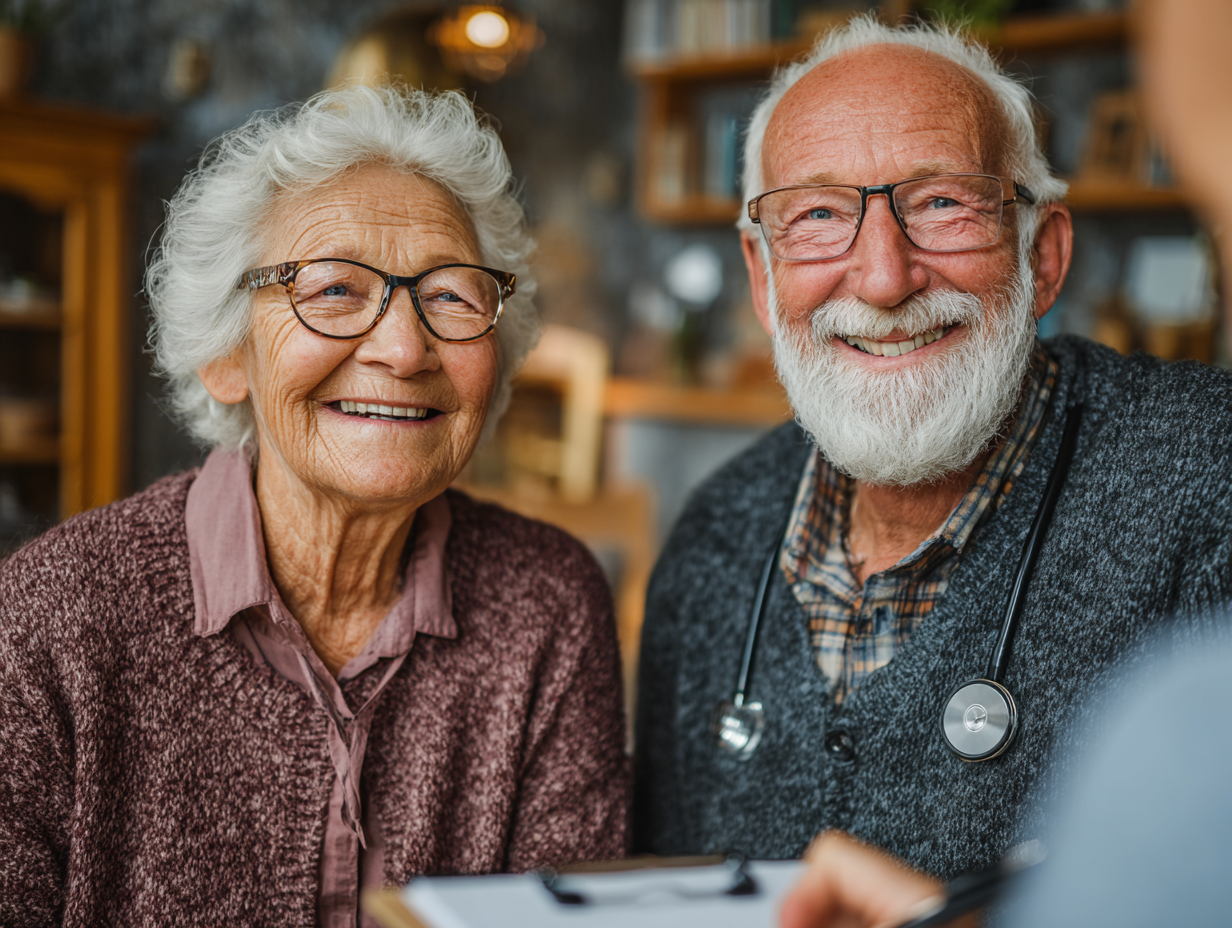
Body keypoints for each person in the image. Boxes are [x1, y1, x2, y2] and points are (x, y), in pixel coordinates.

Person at [0, 86, 628, 928]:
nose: (403, 349)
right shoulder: (50, 617)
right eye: (332, 289)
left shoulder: (547, 602)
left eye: (451, 296)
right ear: (228, 354)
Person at [633, 13, 1232, 884]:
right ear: (762, 279)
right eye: (818, 214)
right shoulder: (716, 534)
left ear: (1043, 257)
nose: (884, 279)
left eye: (943, 203)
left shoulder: (1209, 476)